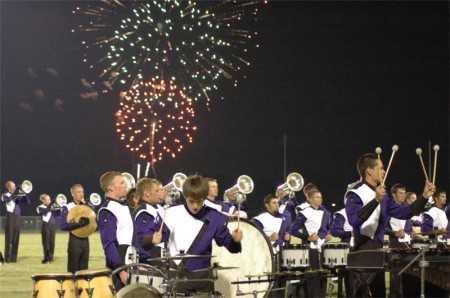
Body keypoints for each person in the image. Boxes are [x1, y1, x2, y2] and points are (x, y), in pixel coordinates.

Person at [345, 153, 434, 297]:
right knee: (361, 294)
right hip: (363, 251)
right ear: (369, 170)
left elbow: (405, 212)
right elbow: (354, 220)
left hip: (379, 250)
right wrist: (375, 200)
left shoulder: (383, 195)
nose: (384, 171)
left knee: (380, 293)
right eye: (380, 168)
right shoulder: (355, 193)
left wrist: (424, 197)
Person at [163, 174, 243, 295]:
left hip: (203, 280)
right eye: (191, 201)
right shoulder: (170, 214)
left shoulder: (214, 217)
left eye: (199, 202)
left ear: (205, 197)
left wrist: (235, 240)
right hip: (178, 278)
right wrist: (152, 239)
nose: (195, 206)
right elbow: (149, 242)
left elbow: (231, 247)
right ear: (185, 196)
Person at [290, 190, 332, 297]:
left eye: (321, 197)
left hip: (323, 248)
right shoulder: (305, 212)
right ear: (310, 199)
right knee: (313, 277)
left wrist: (328, 235)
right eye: (317, 197)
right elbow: (293, 230)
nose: (320, 199)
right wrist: (307, 237)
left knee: (324, 276)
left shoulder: (326, 213)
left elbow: (327, 229)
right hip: (312, 249)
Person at [97, 171, 133, 291]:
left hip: (130, 257)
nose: (125, 185)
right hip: (119, 261)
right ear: (111, 187)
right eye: (121, 183)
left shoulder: (122, 206)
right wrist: (120, 270)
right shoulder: (108, 210)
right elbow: (108, 244)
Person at [384, 183, 418, 298]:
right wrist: (394, 233)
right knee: (396, 274)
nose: (403, 195)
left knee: (407, 274)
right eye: (401, 193)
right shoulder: (388, 208)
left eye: (404, 193)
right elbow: (382, 228)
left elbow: (408, 225)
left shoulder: (406, 208)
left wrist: (411, 231)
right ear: (394, 194)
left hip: (407, 245)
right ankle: (394, 295)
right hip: (395, 245)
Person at [133, 178, 169, 265]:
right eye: (156, 191)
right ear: (147, 193)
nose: (158, 194)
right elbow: (140, 239)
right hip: (150, 262)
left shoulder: (151, 208)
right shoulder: (144, 211)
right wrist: (151, 239)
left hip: (155, 258)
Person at [60, 184, 92, 273]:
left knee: (84, 269)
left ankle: (82, 287)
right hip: (74, 240)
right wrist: (78, 224)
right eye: (79, 192)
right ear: (73, 194)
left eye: (82, 192)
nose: (81, 194)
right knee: (73, 269)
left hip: (85, 240)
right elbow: (63, 226)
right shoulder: (67, 207)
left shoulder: (87, 207)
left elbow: (94, 226)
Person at [1, 180, 30, 263]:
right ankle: (7, 258)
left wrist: (24, 195)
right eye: (13, 186)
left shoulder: (18, 195)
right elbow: (7, 199)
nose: (14, 187)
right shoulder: (4, 195)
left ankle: (14, 258)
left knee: (16, 239)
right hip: (10, 217)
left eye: (14, 186)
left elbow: (28, 203)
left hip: (17, 217)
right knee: (9, 238)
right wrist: (16, 194)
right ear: (8, 187)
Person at [330, 207, 354, 298]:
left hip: (365, 244)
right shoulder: (342, 213)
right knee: (350, 276)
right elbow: (334, 231)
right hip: (348, 244)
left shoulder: (365, 210)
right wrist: (351, 233)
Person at [36, 193, 60, 264]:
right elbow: (45, 212)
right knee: (46, 243)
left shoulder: (52, 207)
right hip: (45, 226)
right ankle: (46, 257)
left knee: (52, 242)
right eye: (47, 199)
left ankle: (51, 257)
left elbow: (58, 214)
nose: (49, 201)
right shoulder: (40, 207)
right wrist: (51, 205)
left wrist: (58, 207)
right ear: (43, 200)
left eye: (49, 199)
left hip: (52, 226)